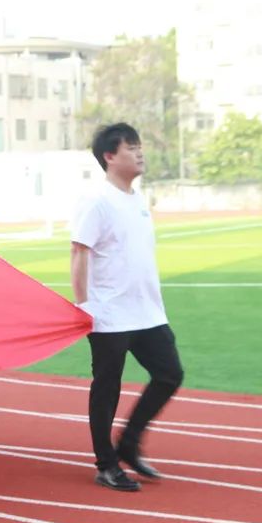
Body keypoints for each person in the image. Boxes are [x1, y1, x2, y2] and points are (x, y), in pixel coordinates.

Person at [71, 123, 184, 492]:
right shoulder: (97, 200)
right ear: (109, 156)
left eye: (140, 147)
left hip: (148, 312)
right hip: (109, 313)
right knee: (107, 388)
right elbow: (79, 252)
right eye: (131, 148)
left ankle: (129, 444)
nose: (139, 153)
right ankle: (107, 464)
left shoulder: (137, 199)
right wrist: (84, 306)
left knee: (169, 374)